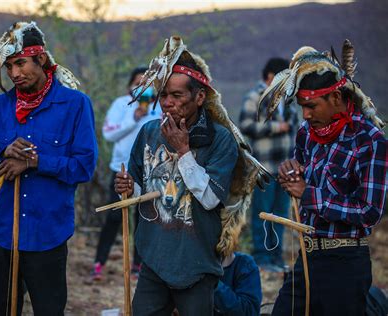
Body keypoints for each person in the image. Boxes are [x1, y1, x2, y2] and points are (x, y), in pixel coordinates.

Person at [0, 22, 98, 315]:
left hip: (47, 230)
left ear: (41, 59)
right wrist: (3, 154)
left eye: (20, 64)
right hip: (1, 230)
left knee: (49, 310)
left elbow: (83, 167)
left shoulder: (75, 104)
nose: (15, 74)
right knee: (1, 310)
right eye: (9, 67)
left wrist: (35, 161)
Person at [115, 36, 241, 315]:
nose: (167, 103)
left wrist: (184, 152)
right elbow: (140, 190)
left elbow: (210, 199)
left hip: (197, 263)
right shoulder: (149, 132)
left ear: (199, 97)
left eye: (177, 96)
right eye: (163, 95)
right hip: (154, 259)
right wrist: (127, 187)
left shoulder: (221, 140)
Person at [262, 41, 387, 315]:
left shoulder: (371, 140)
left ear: (337, 99)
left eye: (312, 106)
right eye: (301, 106)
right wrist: (289, 173)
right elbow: (298, 180)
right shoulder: (307, 133)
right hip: (307, 257)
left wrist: (308, 194)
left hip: (346, 261)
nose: (305, 114)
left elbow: (369, 211)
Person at [92, 67, 162, 280]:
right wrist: (134, 117)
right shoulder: (121, 104)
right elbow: (109, 134)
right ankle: (99, 262)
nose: (141, 87)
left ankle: (138, 266)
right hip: (121, 168)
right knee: (114, 215)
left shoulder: (160, 107)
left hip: (150, 170)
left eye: (146, 83)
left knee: (144, 216)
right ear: (130, 85)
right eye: (137, 82)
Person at [239, 57, 298, 272]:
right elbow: (244, 125)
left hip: (286, 169)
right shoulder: (254, 97)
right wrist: (275, 127)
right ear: (271, 76)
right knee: (263, 213)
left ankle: (276, 258)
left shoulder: (288, 100)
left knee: (281, 214)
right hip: (263, 167)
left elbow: (295, 128)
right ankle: (262, 258)